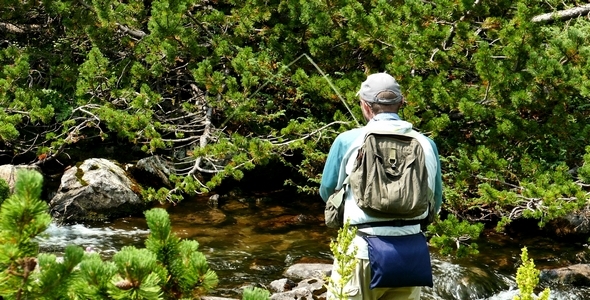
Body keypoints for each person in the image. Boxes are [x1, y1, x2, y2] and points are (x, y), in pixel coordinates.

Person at [319, 72, 443, 300]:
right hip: (410, 255)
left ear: (365, 106)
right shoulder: (427, 144)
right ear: (401, 103)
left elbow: (327, 191)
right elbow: (435, 202)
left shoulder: (347, 141)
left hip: (360, 251)